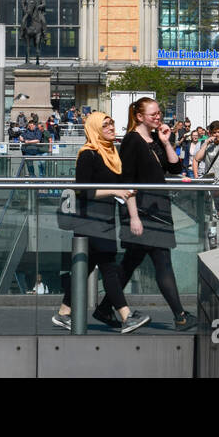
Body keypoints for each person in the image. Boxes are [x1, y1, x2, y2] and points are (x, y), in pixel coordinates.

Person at [53, 112, 150, 333]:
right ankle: (126, 315)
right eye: (105, 125)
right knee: (109, 267)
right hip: (90, 220)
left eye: (112, 123)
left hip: (105, 218)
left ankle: (63, 312)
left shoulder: (112, 153)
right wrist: (115, 190)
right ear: (95, 128)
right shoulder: (88, 154)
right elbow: (84, 191)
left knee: (85, 267)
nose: (110, 127)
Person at [105, 98, 191, 329]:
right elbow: (127, 181)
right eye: (153, 114)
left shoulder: (154, 139)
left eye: (159, 113)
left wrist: (166, 142)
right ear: (139, 116)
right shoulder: (132, 140)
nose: (158, 117)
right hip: (142, 210)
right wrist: (133, 217)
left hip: (156, 207)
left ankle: (104, 309)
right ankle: (180, 315)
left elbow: (175, 167)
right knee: (162, 261)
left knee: (131, 261)